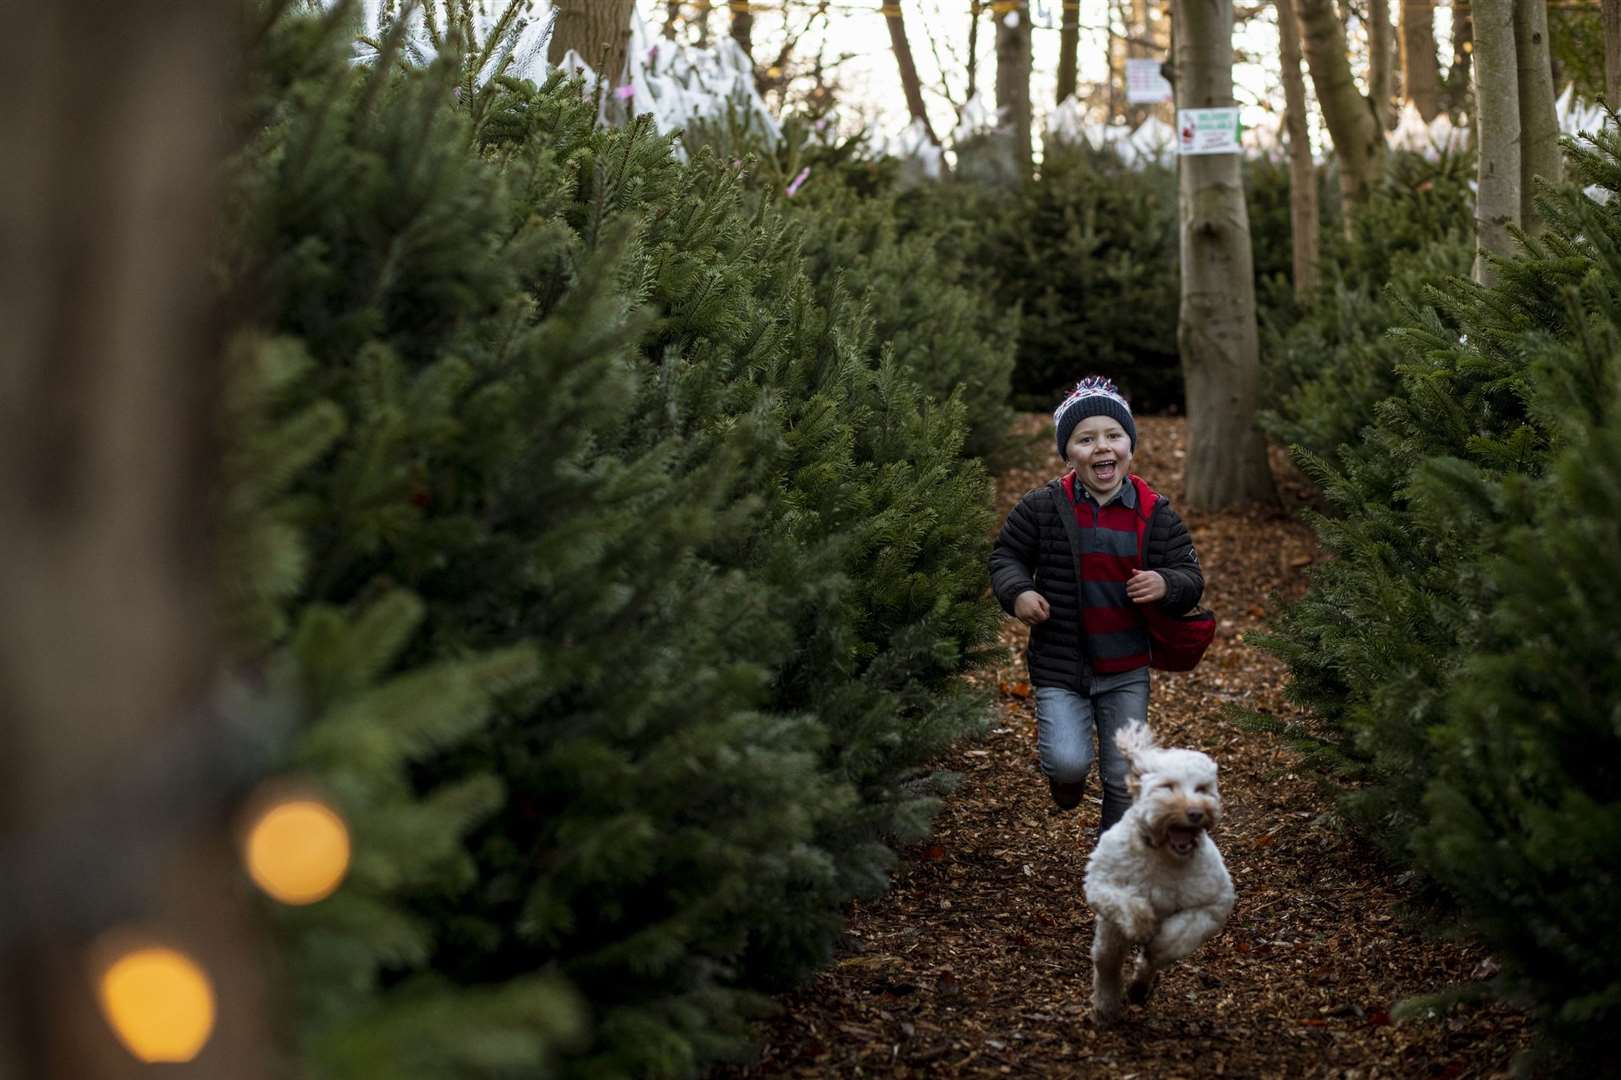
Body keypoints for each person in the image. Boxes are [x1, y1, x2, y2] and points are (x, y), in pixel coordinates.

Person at [989, 376, 1204, 833]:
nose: (1101, 448)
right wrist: (1019, 592)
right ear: (1068, 453)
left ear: (1130, 445)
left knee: (1124, 777)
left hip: (1126, 667)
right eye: (1085, 439)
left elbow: (1190, 575)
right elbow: (1007, 554)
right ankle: (1066, 783)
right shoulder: (1044, 507)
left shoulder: (1154, 513)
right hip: (1060, 663)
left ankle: (1116, 856)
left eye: (1113, 436)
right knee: (1068, 761)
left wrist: (1167, 583)